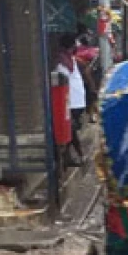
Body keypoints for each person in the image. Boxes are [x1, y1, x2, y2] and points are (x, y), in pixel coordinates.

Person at [55, 34, 87, 166]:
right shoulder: (62, 63)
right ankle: (76, 155)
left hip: (76, 100)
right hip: (71, 101)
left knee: (71, 129)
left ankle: (72, 155)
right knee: (71, 129)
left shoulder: (70, 60)